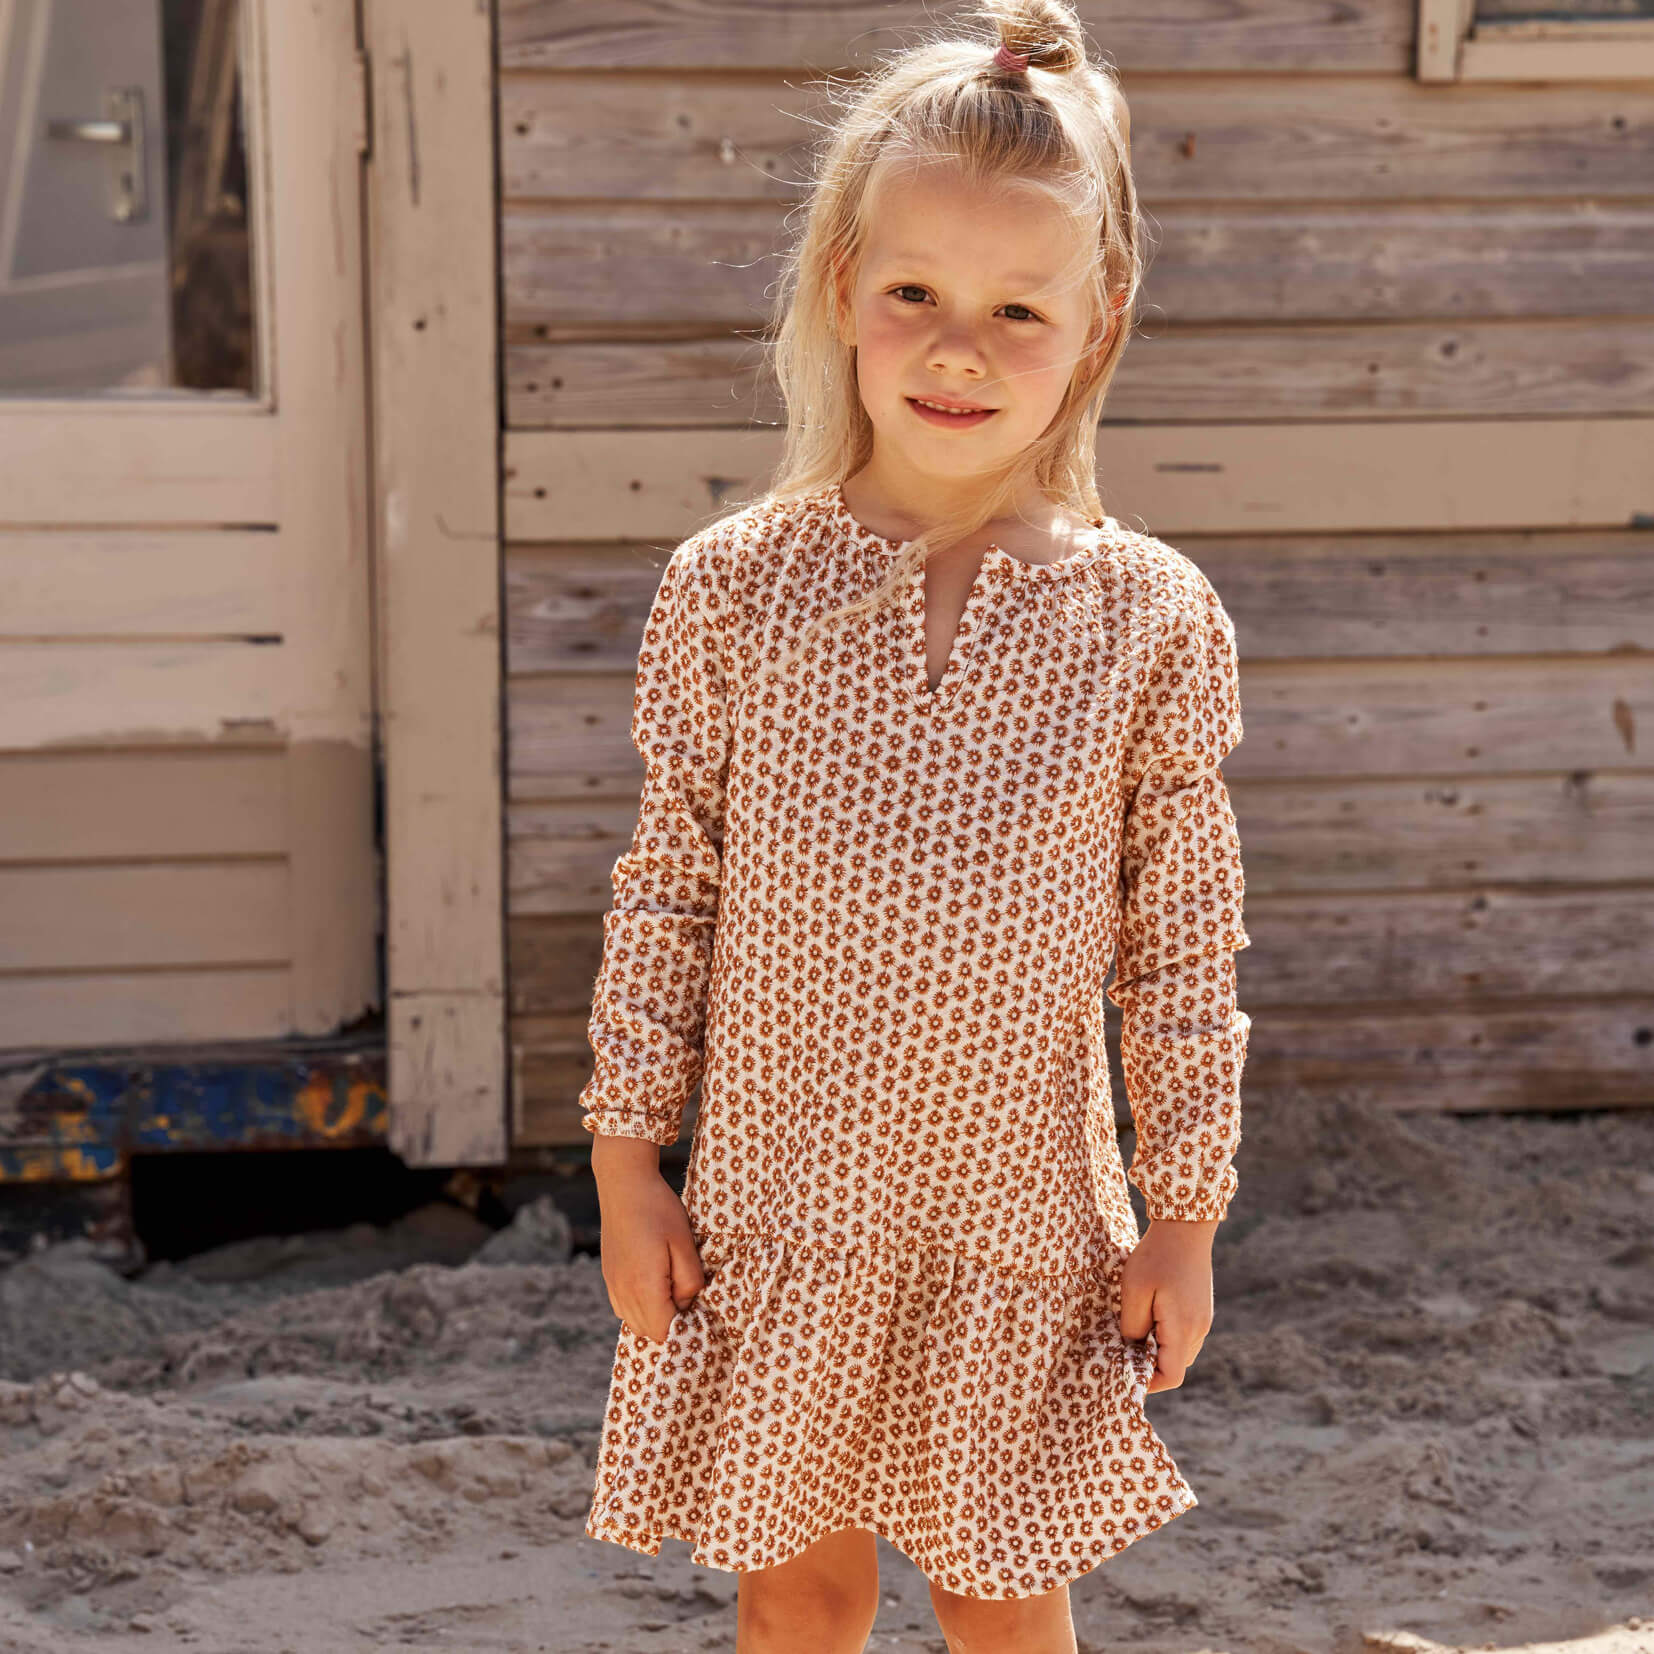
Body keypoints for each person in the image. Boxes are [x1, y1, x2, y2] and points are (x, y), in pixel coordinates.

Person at [578, 0, 1251, 1647]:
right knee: (797, 1589)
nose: (958, 351)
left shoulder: (1149, 618)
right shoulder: (734, 588)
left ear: (1095, 323)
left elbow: (1181, 949)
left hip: (1014, 1219)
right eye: (915, 298)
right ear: (841, 291)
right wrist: (625, 1165)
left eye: (1016, 309)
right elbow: (667, 894)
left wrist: (1183, 1215)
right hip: (781, 1205)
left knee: (999, 1588)